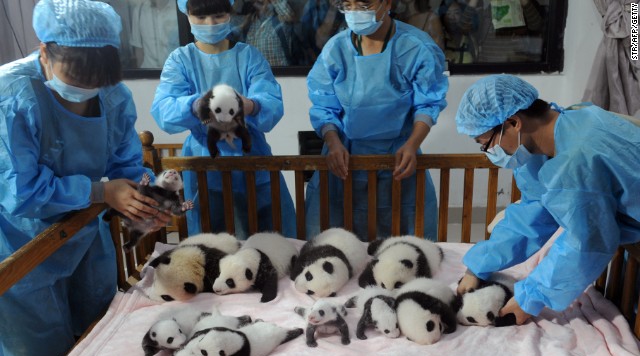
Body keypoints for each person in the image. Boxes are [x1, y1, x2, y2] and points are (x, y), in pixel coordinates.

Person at [0, 1, 171, 356]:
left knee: (102, 336)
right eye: (78, 77)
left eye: (99, 79)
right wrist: (101, 191)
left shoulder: (113, 96)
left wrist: (145, 200)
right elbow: (21, 191)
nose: (90, 87)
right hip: (20, 243)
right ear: (44, 51)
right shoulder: (11, 98)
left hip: (84, 238)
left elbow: (127, 164)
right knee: (39, 347)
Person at [455, 74, 640, 325]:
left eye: (485, 143)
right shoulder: (564, 127)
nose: (488, 153)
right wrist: (479, 264)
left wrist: (530, 298)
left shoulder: (576, 157)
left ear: (513, 123)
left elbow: (585, 242)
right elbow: (533, 213)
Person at [151, 0, 296, 239]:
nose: (210, 24)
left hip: (253, 158)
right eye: (201, 18)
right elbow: (164, 110)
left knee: (269, 239)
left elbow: (271, 102)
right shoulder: (180, 60)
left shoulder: (249, 56)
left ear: (230, 14)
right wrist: (196, 104)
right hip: (204, 163)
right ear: (187, 14)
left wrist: (249, 105)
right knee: (212, 242)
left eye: (218, 16)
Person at [305, 0, 448, 241]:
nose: (354, 13)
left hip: (398, 154)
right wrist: (333, 142)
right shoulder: (336, 49)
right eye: (347, 5)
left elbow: (428, 102)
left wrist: (412, 144)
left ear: (387, 3)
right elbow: (323, 104)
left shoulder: (414, 47)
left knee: (405, 244)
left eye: (363, 4)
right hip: (345, 155)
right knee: (334, 243)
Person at [130, 0, 181, 68]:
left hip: (175, 71)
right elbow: (138, 48)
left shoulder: (180, 8)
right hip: (149, 71)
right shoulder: (139, 10)